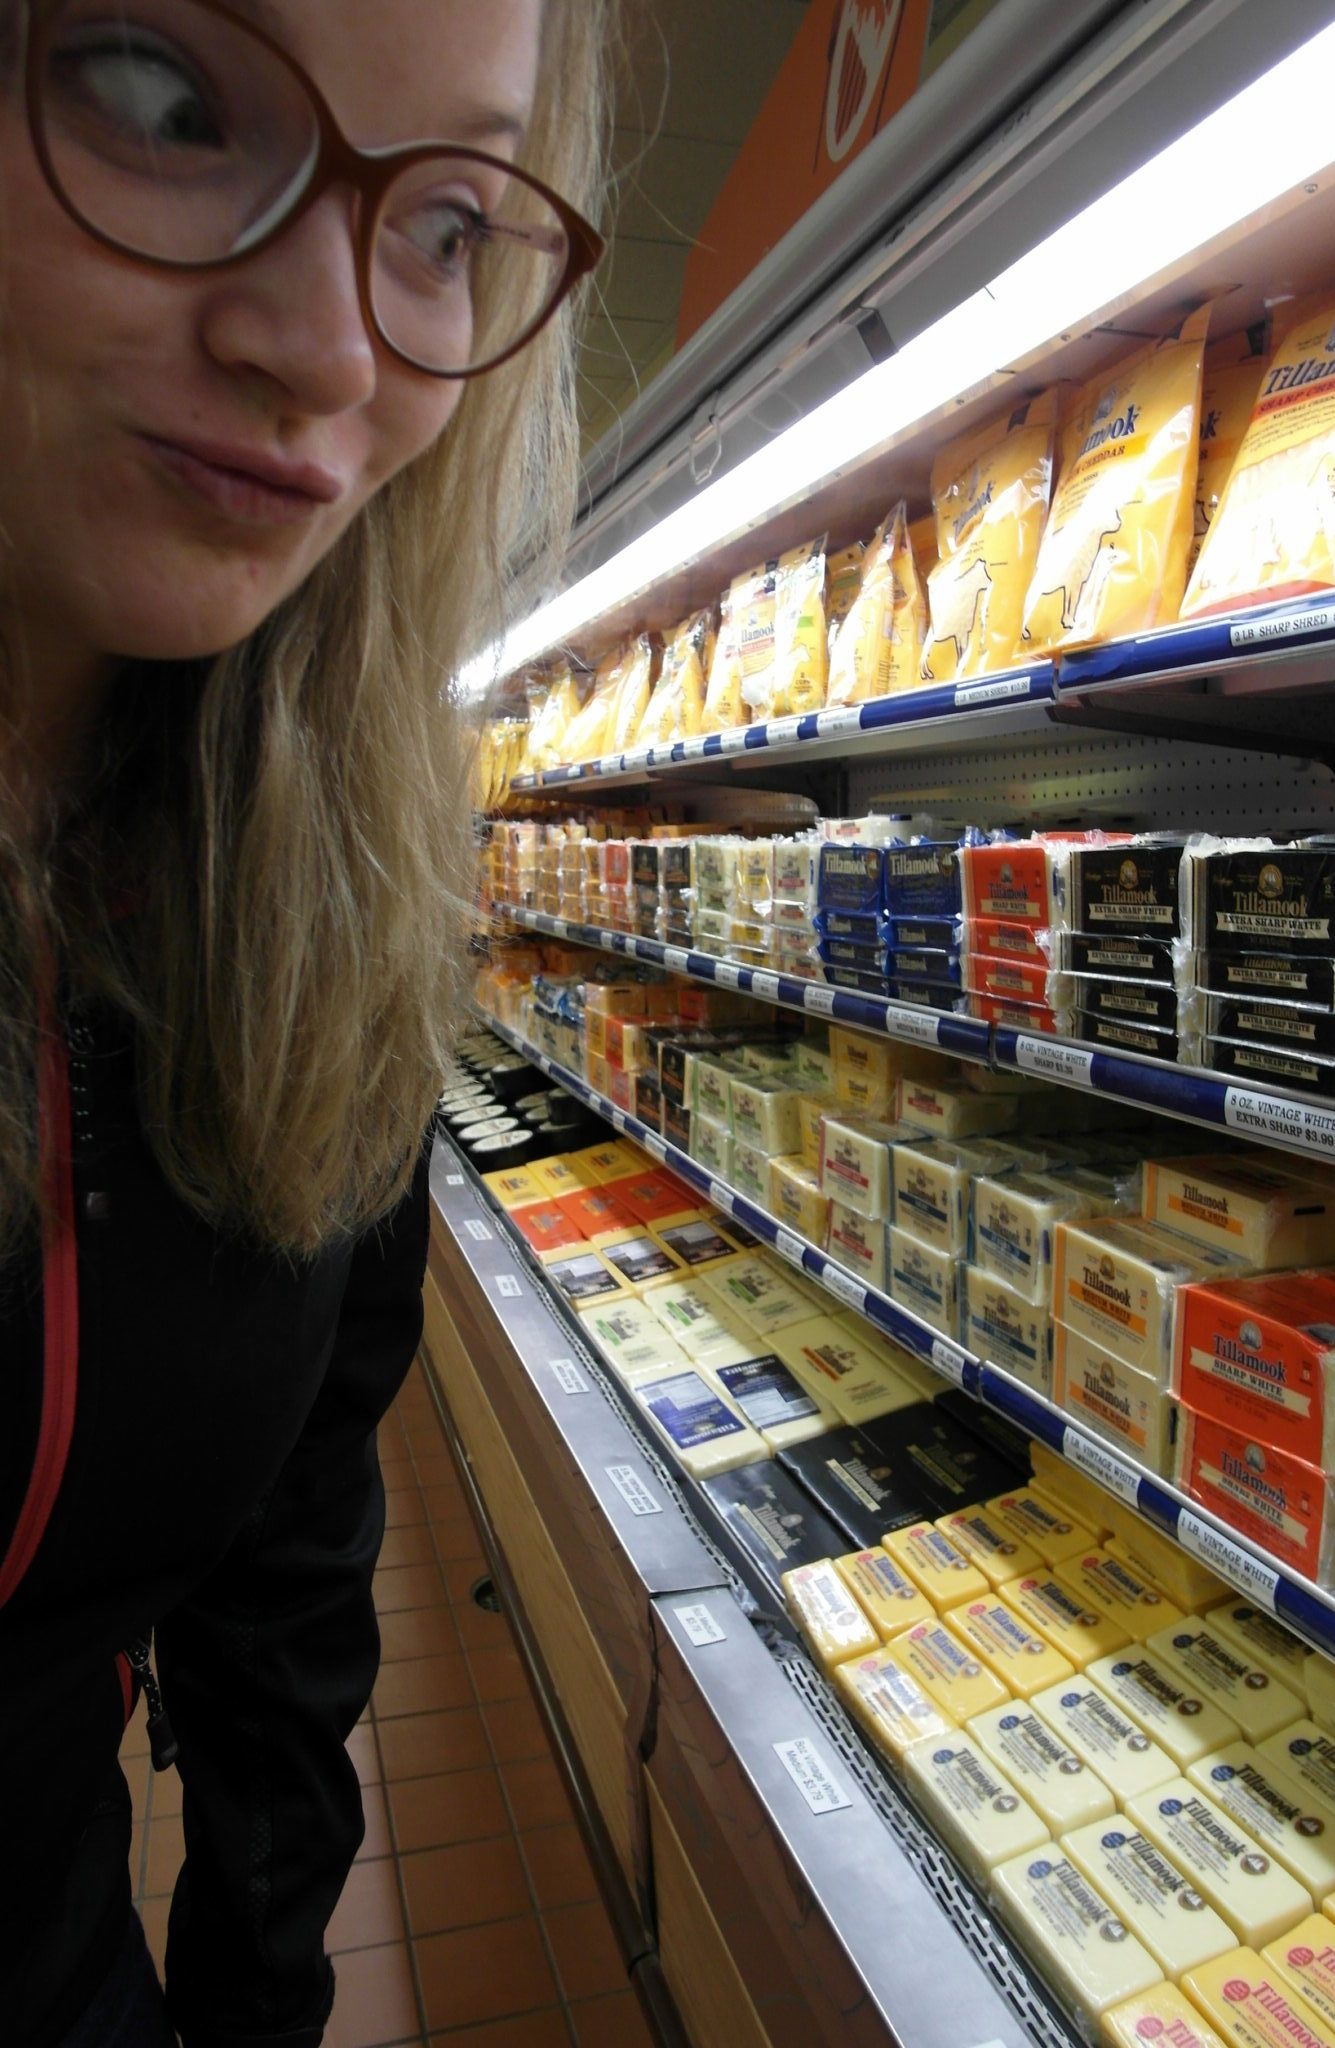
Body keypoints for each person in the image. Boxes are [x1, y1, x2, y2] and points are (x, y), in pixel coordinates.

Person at [0, 1, 607, 2040]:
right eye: (162, 99)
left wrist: (261, 1995)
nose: (335, 349)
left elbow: (291, 1549)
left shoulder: (317, 902)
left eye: (445, 225)